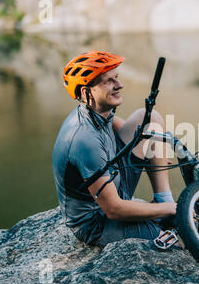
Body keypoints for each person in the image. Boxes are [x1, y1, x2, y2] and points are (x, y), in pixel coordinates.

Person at [52, 50, 176, 247]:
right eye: (108, 81)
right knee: (181, 242)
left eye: (116, 77)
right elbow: (113, 209)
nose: (119, 85)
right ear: (87, 92)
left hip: (114, 180)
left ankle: (163, 197)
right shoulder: (84, 139)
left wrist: (152, 150)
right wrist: (171, 209)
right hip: (99, 222)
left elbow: (119, 125)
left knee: (149, 118)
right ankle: (167, 211)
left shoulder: (96, 112)